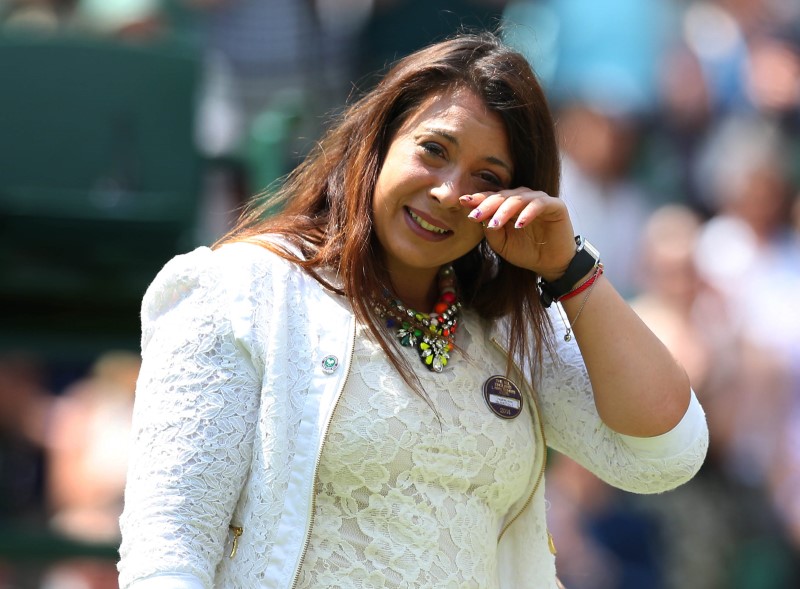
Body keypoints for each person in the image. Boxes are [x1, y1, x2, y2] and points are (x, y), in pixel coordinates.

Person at [117, 32, 708, 588]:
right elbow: (167, 551)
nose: (449, 191)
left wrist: (570, 272)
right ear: (379, 142)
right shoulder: (244, 289)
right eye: (434, 150)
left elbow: (664, 452)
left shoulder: (507, 321)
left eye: (486, 176)